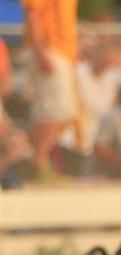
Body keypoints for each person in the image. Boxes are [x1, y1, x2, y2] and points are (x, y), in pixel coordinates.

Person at [22, 0, 78, 180]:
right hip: (49, 48)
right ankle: (36, 164)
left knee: (53, 111)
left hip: (59, 50)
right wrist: (40, 51)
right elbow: (32, 12)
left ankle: (34, 162)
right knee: (57, 109)